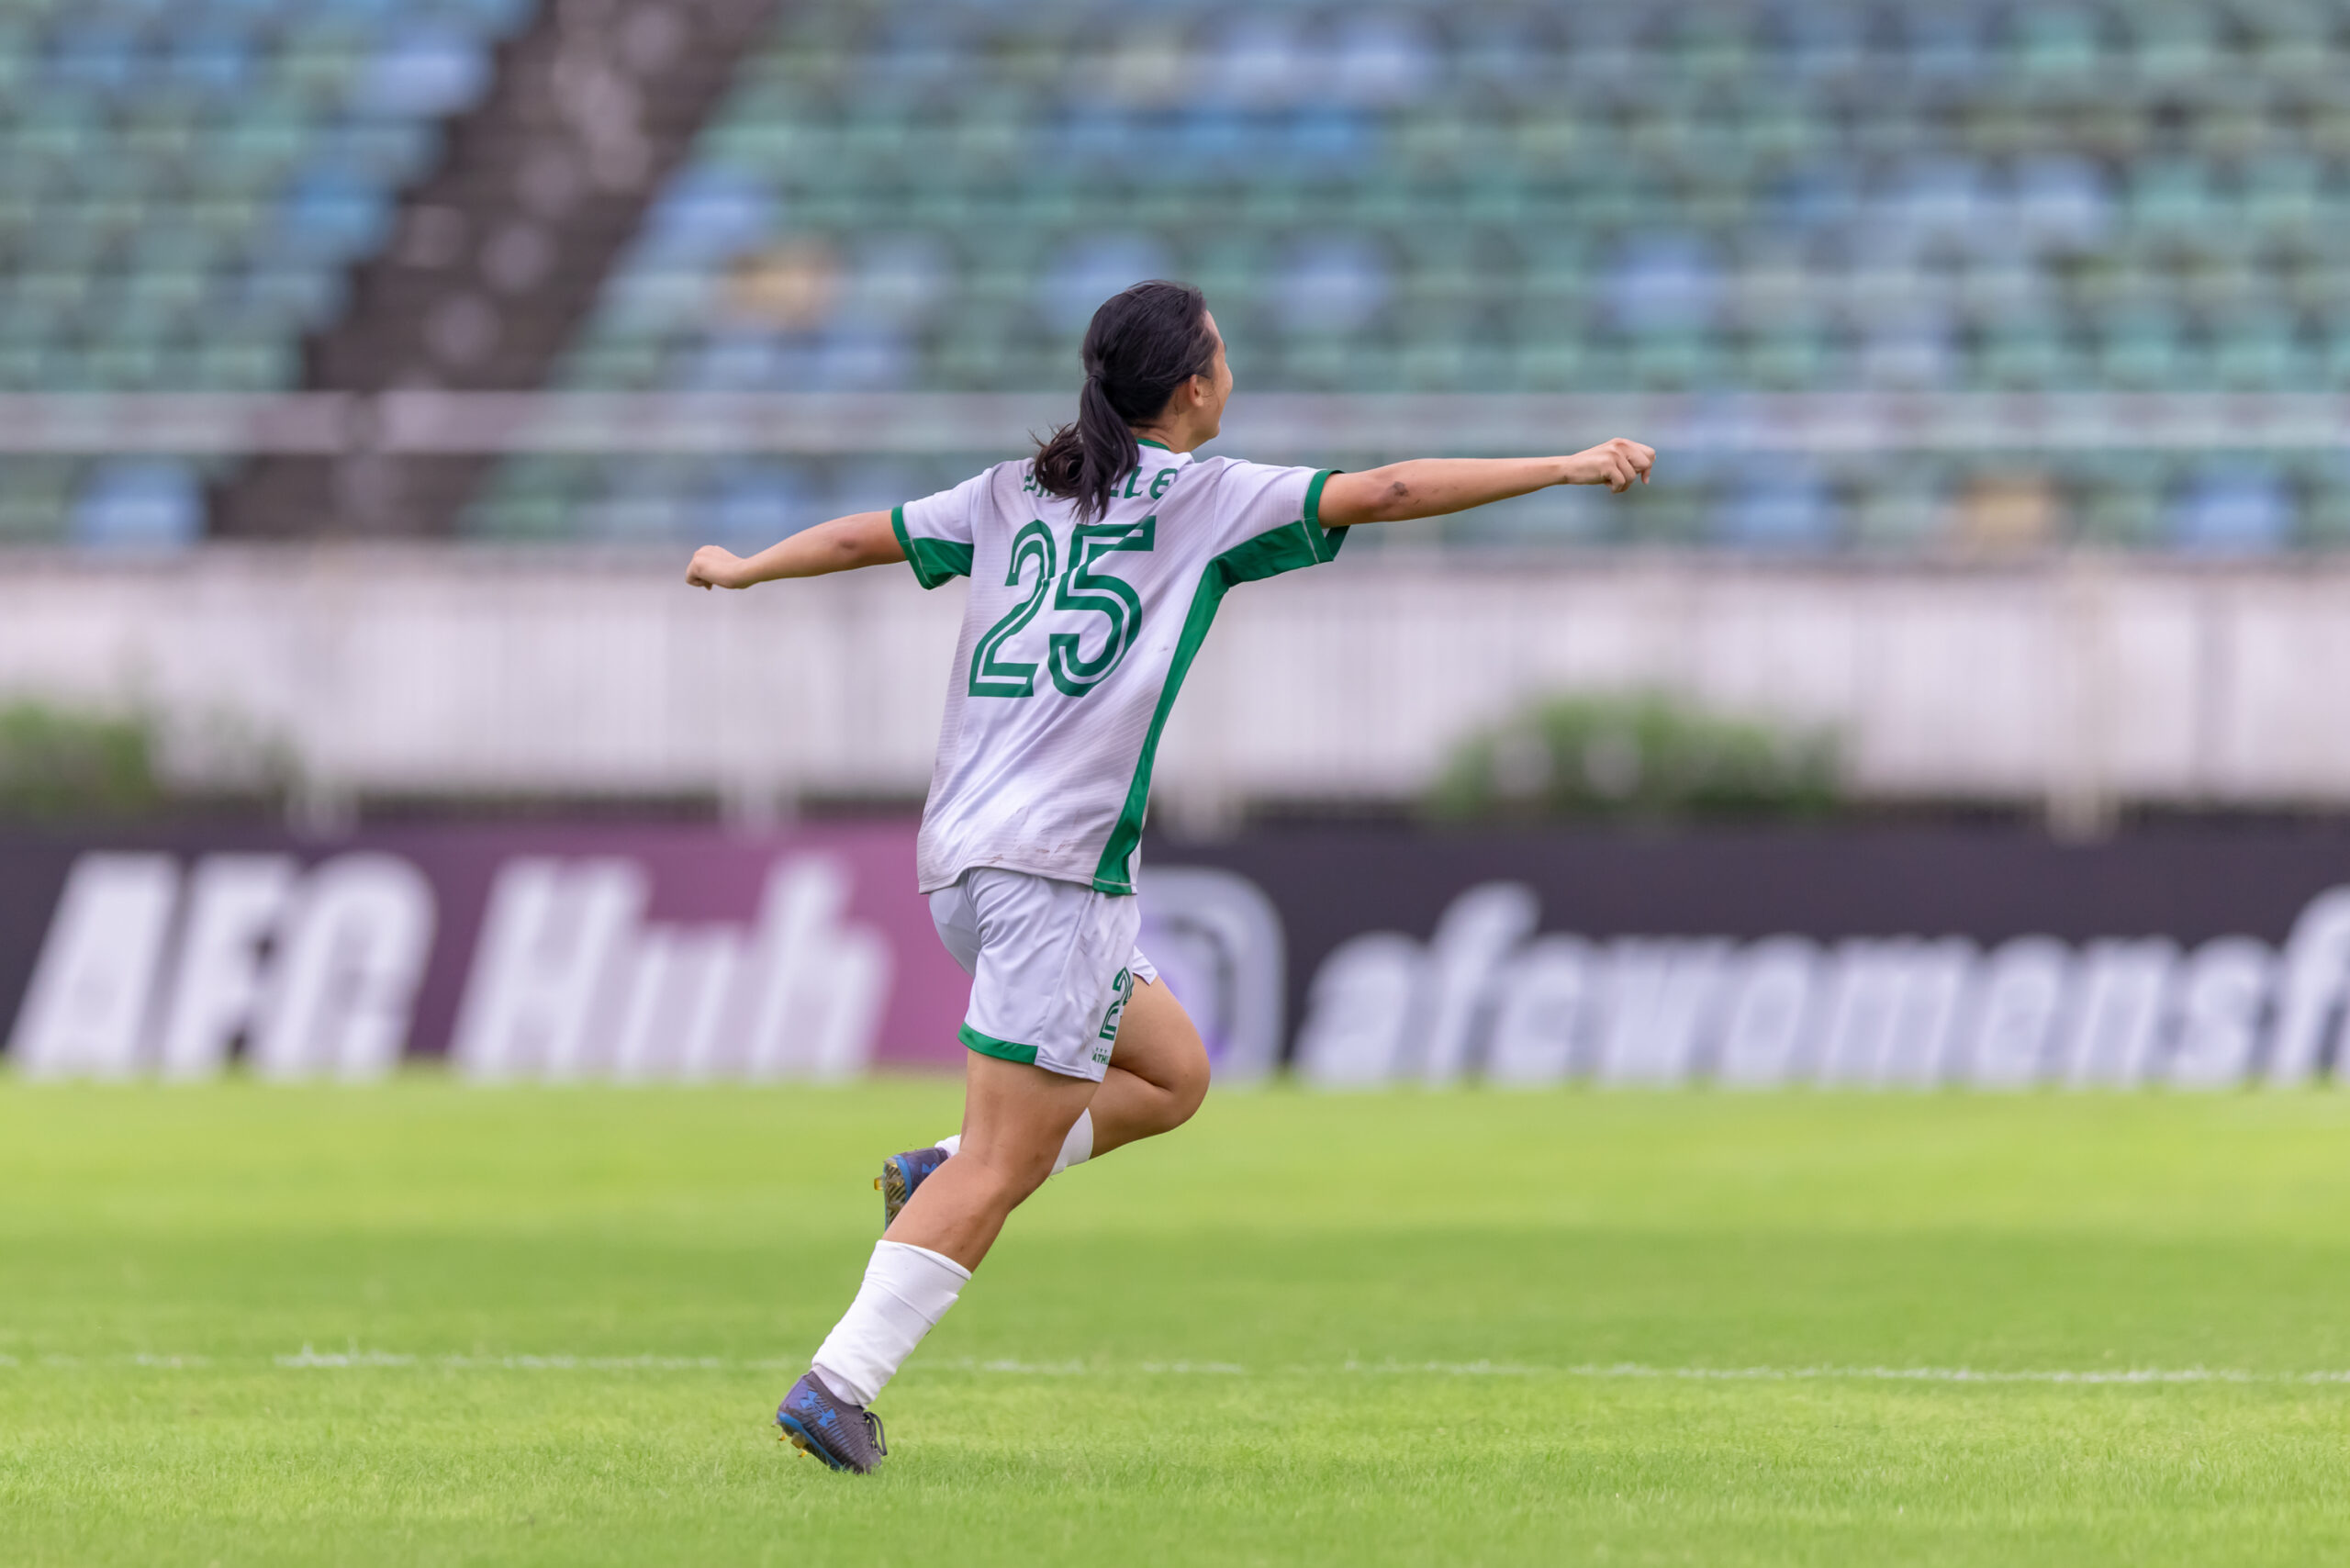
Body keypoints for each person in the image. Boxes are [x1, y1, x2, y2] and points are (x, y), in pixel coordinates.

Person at [685, 280, 1654, 1473]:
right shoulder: (1205, 496)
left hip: (962, 864)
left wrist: (745, 568)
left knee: (1172, 1073)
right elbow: (1391, 490)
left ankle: (934, 1170)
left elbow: (859, 538)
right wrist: (1563, 466)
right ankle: (840, 1386)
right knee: (1005, 1162)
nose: (1232, 370)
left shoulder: (1014, 490)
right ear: (1193, 387)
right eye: (1224, 354)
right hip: (1056, 876)